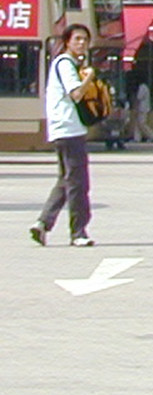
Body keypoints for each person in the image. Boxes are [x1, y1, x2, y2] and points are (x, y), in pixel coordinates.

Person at [30, 25, 96, 247]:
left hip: (63, 128)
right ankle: (78, 232)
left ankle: (42, 223)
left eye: (85, 40)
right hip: (69, 129)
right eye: (77, 39)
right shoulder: (66, 63)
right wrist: (89, 77)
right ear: (67, 41)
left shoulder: (66, 63)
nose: (81, 43)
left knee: (65, 179)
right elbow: (76, 94)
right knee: (78, 183)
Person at [129, 72, 153, 143]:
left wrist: (135, 109)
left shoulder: (142, 87)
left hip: (142, 109)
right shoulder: (144, 87)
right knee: (137, 124)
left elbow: (138, 98)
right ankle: (137, 138)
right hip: (142, 108)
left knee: (142, 123)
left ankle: (151, 136)